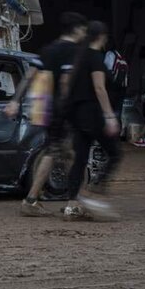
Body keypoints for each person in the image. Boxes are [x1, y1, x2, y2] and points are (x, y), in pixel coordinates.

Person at [5, 12, 87, 217]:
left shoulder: (48, 50)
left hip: (50, 112)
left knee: (55, 153)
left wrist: (15, 100)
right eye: (84, 30)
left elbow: (28, 77)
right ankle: (74, 201)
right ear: (77, 29)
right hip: (66, 111)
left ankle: (33, 200)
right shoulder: (74, 52)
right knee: (69, 154)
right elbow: (68, 83)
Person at [62, 21, 122, 221]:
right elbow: (99, 88)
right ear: (102, 37)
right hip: (93, 114)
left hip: (78, 115)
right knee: (115, 153)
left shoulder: (80, 57)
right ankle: (94, 191)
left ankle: (72, 204)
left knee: (80, 159)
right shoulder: (95, 58)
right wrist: (109, 115)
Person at [103, 41, 128, 125]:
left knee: (110, 111)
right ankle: (117, 131)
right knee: (118, 111)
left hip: (112, 87)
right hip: (121, 87)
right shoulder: (121, 56)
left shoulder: (109, 54)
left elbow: (108, 70)